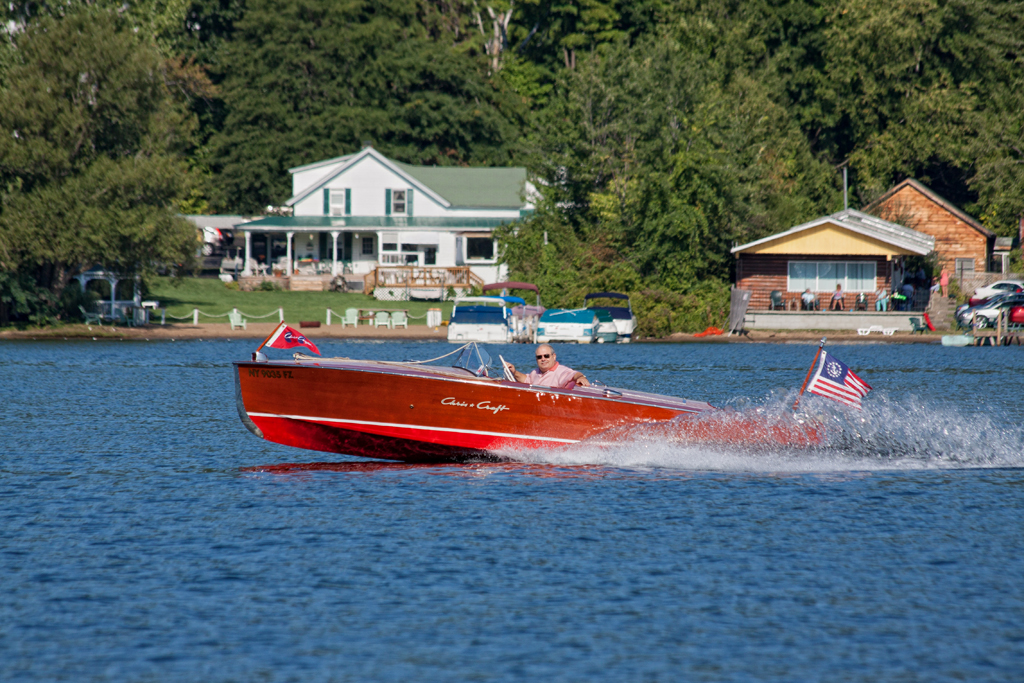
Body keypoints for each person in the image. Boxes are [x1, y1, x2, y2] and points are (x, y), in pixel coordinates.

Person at [509, 344, 590, 387]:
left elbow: (574, 374)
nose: (543, 359)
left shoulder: (561, 371)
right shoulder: (536, 372)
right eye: (539, 357)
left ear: (554, 356)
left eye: (546, 356)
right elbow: (526, 379)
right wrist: (514, 371)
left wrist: (581, 377)